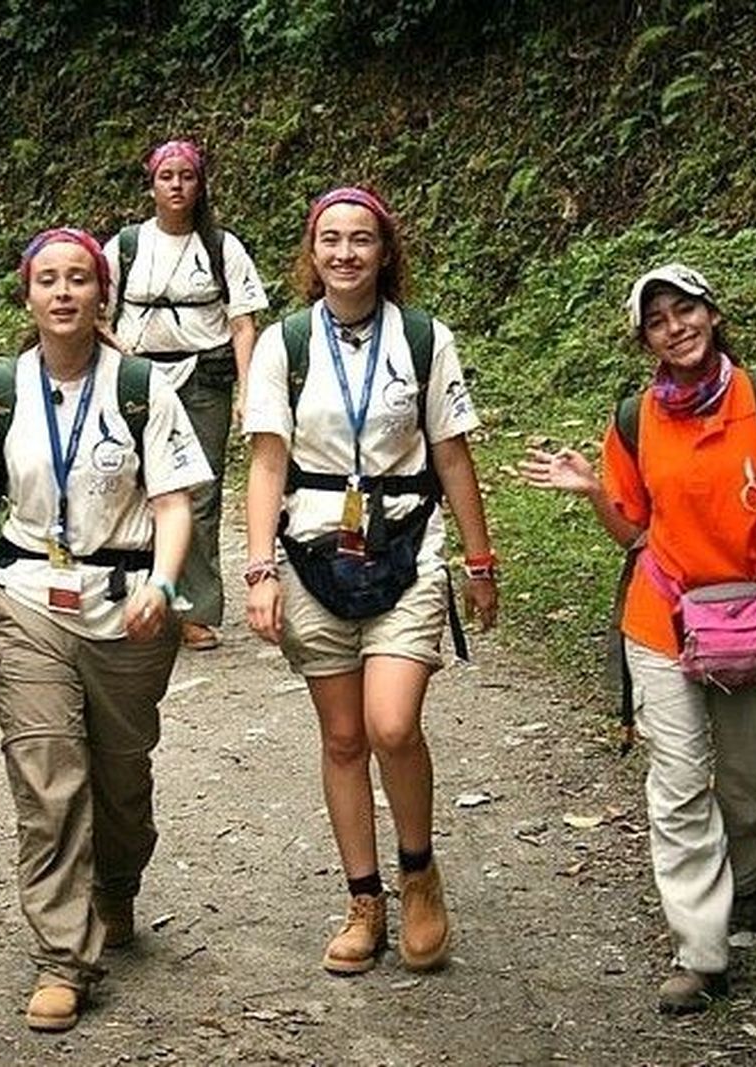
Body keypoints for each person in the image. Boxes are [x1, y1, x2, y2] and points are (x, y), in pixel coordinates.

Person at [0, 227, 211, 1032]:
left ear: (101, 293)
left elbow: (176, 500)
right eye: (49, 280)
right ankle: (63, 958)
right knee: (48, 779)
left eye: (80, 279)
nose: (65, 292)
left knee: (120, 778)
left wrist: (167, 582)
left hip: (129, 604)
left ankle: (117, 882)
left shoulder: (141, 387)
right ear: (28, 296)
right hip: (28, 597)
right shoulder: (0, 390)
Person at [518, 263, 756, 1014]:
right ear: (646, 340)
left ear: (712, 312)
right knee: (678, 780)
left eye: (685, 310)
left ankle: (745, 880)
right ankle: (701, 948)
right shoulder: (635, 419)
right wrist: (596, 491)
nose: (676, 327)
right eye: (658, 320)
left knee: (748, 774)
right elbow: (633, 533)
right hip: (662, 619)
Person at [241, 187, 499, 977]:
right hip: (313, 553)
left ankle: (418, 872)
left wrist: (481, 563)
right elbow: (266, 461)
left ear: (386, 253)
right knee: (344, 737)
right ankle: (364, 897)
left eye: (361, 239)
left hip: (407, 546)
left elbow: (453, 452)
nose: (346, 253)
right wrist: (258, 567)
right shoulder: (286, 345)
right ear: (311, 254)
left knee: (392, 724)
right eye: (331, 239)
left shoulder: (423, 340)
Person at [104, 138, 269, 651]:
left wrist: (247, 390)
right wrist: (119, 361)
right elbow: (97, 312)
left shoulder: (223, 247)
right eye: (166, 176)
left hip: (205, 380)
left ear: (201, 185)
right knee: (132, 485)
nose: (177, 186)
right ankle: (134, 598)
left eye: (187, 176)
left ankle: (193, 609)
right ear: (151, 184)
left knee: (200, 492)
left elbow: (243, 324)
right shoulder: (125, 246)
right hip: (137, 381)